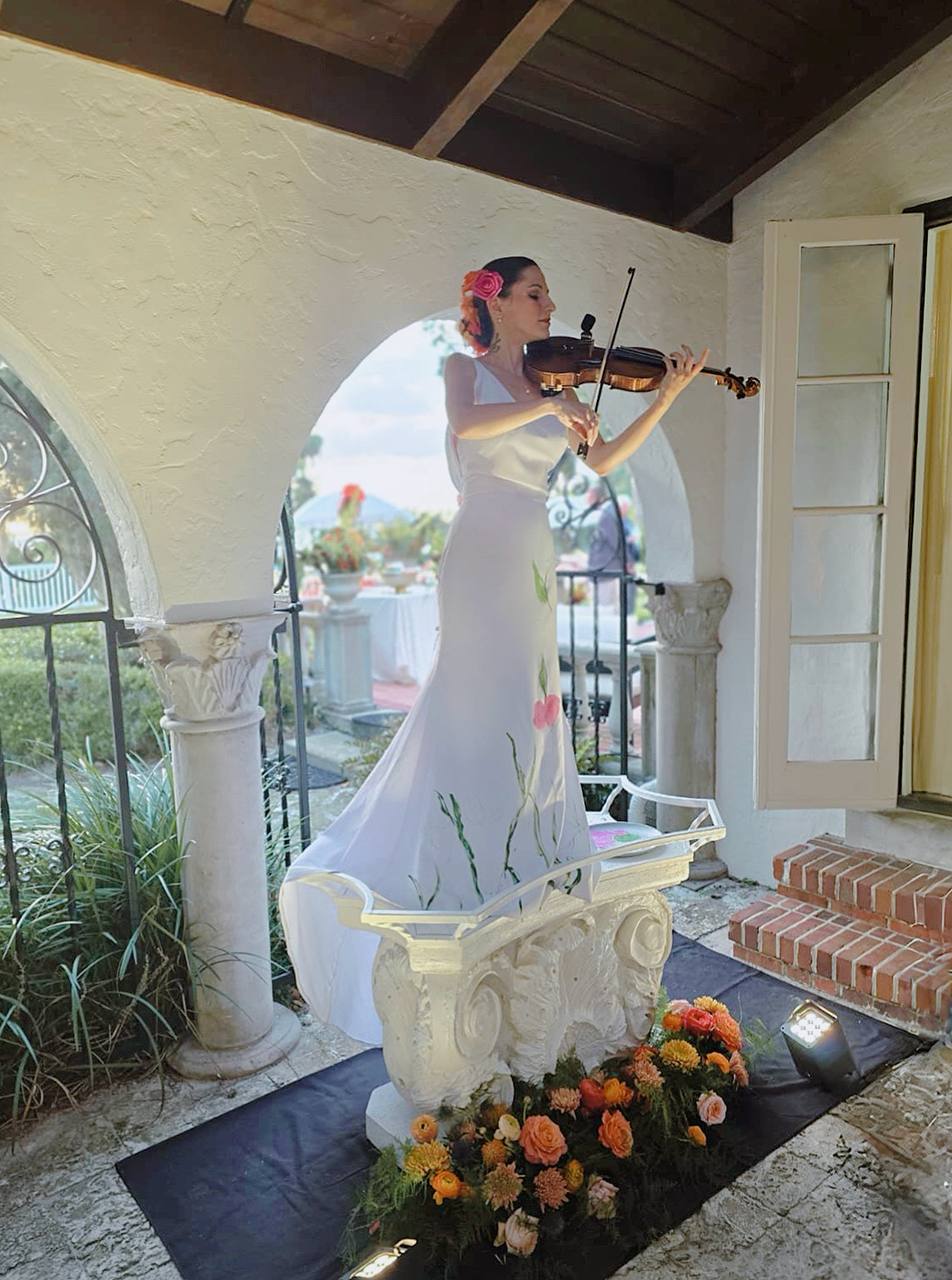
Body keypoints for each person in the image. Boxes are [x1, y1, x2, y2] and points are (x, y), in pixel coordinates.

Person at [280, 256, 708, 1044]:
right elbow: (468, 426)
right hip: (480, 549)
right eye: (535, 293)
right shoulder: (465, 371)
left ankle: (526, 863)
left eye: (548, 292)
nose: (549, 304)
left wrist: (666, 397)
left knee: (531, 704)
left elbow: (603, 460)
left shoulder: (555, 385)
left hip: (532, 552)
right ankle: (464, 868)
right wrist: (549, 404)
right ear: (498, 302)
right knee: (473, 703)